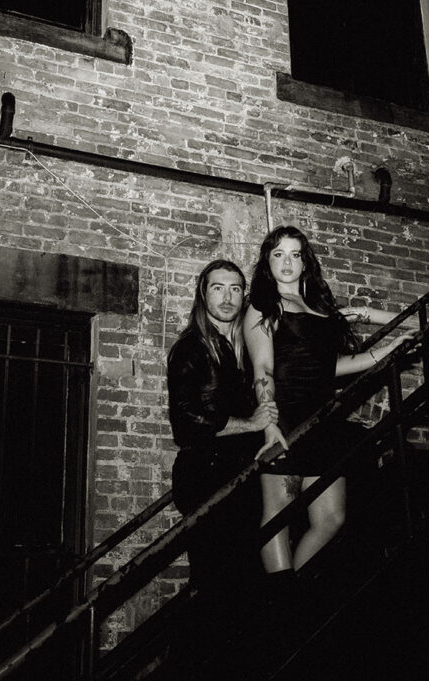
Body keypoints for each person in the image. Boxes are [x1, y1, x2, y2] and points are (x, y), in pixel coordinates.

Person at [243, 226, 415, 583]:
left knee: (331, 518)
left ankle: (296, 590)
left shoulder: (320, 309)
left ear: (305, 262)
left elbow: (333, 367)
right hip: (288, 416)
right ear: (267, 263)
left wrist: (387, 349)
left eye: (294, 254)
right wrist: (269, 420)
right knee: (280, 513)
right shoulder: (264, 306)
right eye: (278, 254)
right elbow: (263, 367)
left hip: (324, 419)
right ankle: (280, 596)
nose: (287, 262)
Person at [166, 259, 278, 674]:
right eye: (218, 288)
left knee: (239, 579)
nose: (228, 296)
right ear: (203, 293)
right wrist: (250, 424)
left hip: (239, 474)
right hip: (205, 473)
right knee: (216, 579)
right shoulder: (192, 347)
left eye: (235, 288)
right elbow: (186, 421)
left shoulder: (245, 348)